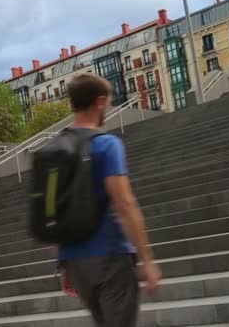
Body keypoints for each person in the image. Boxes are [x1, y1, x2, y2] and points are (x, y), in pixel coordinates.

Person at [59, 74, 161, 327]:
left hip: (75, 262)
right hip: (110, 257)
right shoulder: (106, 145)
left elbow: (57, 211)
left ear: (71, 104)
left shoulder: (57, 149)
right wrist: (147, 260)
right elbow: (125, 204)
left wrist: (64, 263)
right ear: (101, 102)